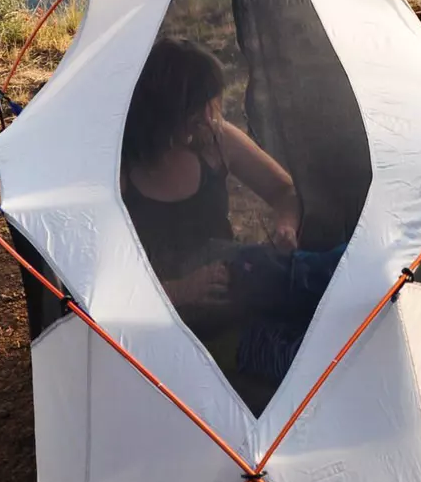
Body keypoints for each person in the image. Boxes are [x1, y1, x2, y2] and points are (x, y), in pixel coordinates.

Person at [119, 37, 342, 397]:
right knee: (288, 354)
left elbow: (283, 190)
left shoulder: (215, 139)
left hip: (240, 284)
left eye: (209, 107)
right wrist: (177, 291)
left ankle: (355, 280)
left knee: (279, 281)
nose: (208, 117)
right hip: (170, 322)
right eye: (196, 111)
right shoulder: (122, 171)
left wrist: (285, 225)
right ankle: (346, 280)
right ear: (161, 113)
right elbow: (96, 282)